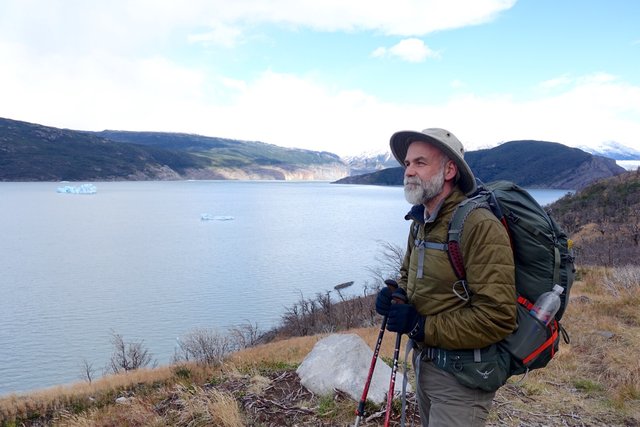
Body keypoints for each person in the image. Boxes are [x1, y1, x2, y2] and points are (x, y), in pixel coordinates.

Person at [375, 128, 517, 427]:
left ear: (449, 170)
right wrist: (395, 295)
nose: (409, 171)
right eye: (408, 164)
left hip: (462, 377)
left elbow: (498, 316)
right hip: (426, 365)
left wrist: (420, 325)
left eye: (420, 163)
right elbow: (407, 275)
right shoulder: (422, 220)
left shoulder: (478, 225)